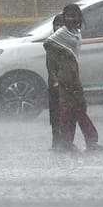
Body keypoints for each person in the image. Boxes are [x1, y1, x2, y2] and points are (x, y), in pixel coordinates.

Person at [43, 3, 103, 153]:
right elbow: (48, 44)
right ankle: (70, 142)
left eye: (74, 16)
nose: (72, 19)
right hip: (65, 76)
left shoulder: (75, 31)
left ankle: (83, 141)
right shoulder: (63, 32)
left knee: (79, 109)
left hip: (74, 74)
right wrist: (66, 53)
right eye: (69, 16)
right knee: (67, 110)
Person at [45, 13, 64, 150]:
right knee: (56, 113)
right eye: (56, 24)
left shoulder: (67, 39)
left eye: (61, 25)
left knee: (65, 112)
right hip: (56, 82)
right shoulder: (52, 42)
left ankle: (64, 140)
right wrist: (55, 80)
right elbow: (50, 64)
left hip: (67, 80)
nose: (58, 27)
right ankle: (56, 141)